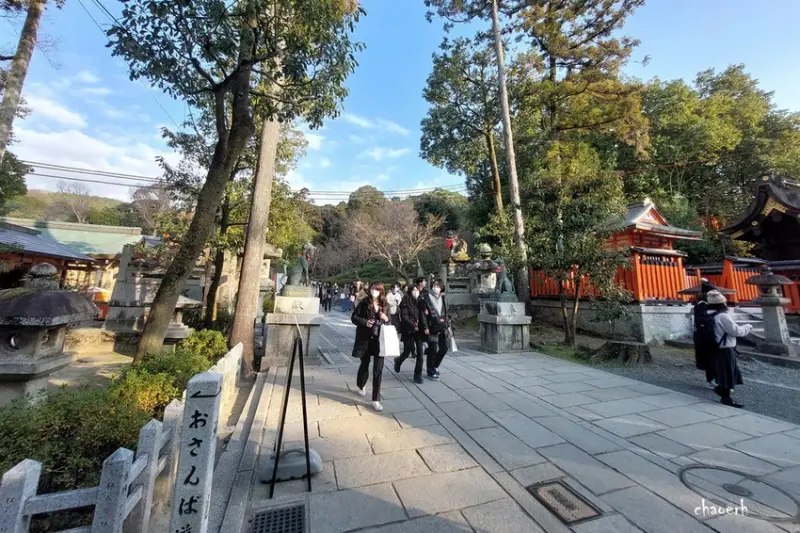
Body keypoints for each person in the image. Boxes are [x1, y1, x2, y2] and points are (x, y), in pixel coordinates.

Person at [706, 290, 751, 408]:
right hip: (725, 347)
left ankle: (723, 393)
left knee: (724, 372)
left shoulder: (708, 315)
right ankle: (725, 396)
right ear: (722, 303)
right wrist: (747, 327)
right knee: (728, 372)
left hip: (714, 347)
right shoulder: (723, 316)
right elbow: (736, 331)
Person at [351, 282, 390, 411]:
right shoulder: (364, 302)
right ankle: (361, 384)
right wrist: (365, 322)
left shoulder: (385, 304)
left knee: (378, 370)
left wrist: (386, 318)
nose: (374, 291)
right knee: (364, 364)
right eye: (373, 289)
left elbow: (391, 321)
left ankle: (375, 399)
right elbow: (354, 317)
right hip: (366, 339)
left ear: (381, 291)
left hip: (380, 340)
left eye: (377, 289)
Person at [419, 279, 450, 381]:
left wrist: (448, 325)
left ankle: (435, 365)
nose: (435, 288)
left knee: (444, 347)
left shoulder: (443, 298)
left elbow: (446, 313)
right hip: (431, 327)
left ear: (441, 288)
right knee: (432, 349)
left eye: (438, 286)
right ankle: (430, 371)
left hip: (443, 326)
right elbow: (423, 314)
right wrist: (425, 327)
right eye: (434, 285)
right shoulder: (426, 297)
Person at [394, 284, 425, 383]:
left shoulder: (421, 300)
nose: (416, 292)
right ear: (410, 291)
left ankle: (417, 375)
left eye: (417, 290)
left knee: (420, 353)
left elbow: (424, 313)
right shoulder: (406, 300)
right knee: (407, 351)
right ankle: (398, 360)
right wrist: (413, 325)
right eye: (414, 290)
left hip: (419, 330)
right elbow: (404, 316)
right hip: (408, 329)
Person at [693, 279, 718, 387]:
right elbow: (702, 320)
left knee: (712, 356)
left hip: (707, 334)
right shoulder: (702, 305)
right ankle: (712, 378)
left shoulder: (705, 305)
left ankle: (714, 377)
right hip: (704, 335)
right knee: (709, 356)